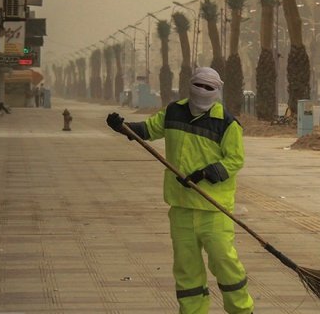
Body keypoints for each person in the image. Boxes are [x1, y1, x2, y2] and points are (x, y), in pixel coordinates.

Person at [106, 67, 253, 314]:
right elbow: (149, 130)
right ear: (190, 85)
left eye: (209, 88)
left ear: (218, 91)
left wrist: (206, 173)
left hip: (213, 209)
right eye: (199, 86)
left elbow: (235, 160)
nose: (203, 92)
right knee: (186, 269)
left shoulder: (227, 123)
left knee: (225, 263)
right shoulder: (174, 112)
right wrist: (123, 127)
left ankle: (242, 310)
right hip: (181, 207)